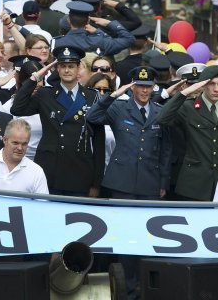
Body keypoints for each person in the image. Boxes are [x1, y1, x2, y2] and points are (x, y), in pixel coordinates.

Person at [87, 65, 171, 300]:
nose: (144, 91)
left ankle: (149, 288)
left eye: (148, 86)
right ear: (132, 86)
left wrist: (163, 181)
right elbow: (92, 117)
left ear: (154, 87)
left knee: (149, 237)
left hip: (150, 183)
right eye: (140, 86)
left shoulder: (159, 111)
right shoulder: (118, 107)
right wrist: (112, 94)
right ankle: (130, 290)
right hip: (122, 183)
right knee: (125, 237)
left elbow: (165, 150)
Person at [11, 46, 105, 197]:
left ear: (78, 68)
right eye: (62, 66)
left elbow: (99, 143)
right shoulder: (45, 94)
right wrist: (35, 77)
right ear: (57, 69)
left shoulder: (91, 97)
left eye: (71, 66)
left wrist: (96, 183)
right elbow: (17, 108)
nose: (67, 70)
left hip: (79, 172)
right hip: (50, 170)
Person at [156, 65, 218, 201]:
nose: (216, 89)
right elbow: (162, 119)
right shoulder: (188, 107)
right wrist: (183, 94)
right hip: (194, 184)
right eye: (211, 84)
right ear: (203, 85)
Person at [53, 1, 135, 57]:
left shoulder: (56, 43)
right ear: (88, 21)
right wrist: (109, 23)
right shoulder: (100, 41)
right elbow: (129, 39)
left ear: (68, 20)